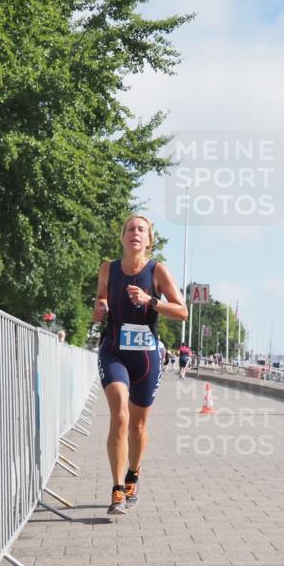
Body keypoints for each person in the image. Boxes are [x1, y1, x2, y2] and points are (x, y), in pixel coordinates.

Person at [94, 214, 188, 515]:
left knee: (137, 425)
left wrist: (151, 301)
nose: (136, 233)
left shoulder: (157, 270)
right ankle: (117, 489)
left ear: (149, 240)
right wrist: (100, 307)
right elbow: (101, 300)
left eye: (142, 230)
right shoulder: (108, 269)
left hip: (146, 355)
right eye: (130, 229)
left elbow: (182, 311)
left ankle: (133, 474)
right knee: (119, 415)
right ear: (122, 237)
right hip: (114, 349)